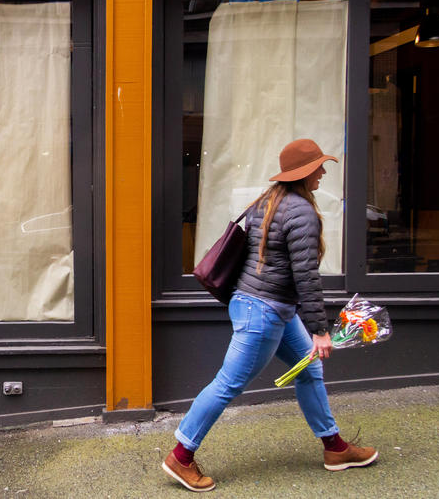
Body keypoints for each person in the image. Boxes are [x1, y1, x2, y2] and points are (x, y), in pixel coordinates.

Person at [162, 138, 378, 492]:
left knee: (309, 370)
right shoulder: (302, 212)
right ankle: (181, 456)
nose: (323, 172)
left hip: (261, 305)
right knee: (227, 384)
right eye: (319, 167)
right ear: (305, 172)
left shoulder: (267, 202)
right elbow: (306, 277)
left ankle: (335, 448)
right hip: (264, 312)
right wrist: (321, 331)